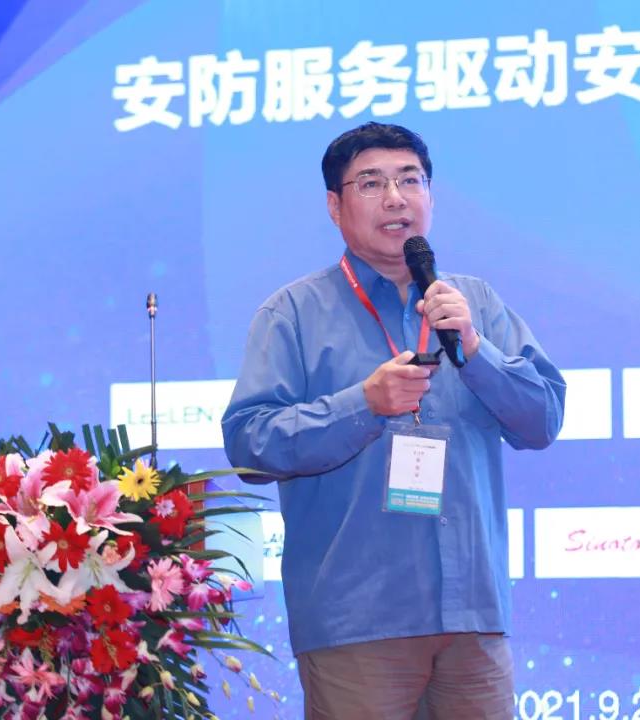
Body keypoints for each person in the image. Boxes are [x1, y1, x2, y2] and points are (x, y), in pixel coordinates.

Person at [221, 122, 566, 719]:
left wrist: (476, 349)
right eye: (371, 183)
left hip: (472, 617)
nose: (395, 198)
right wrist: (364, 404)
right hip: (357, 620)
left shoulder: (475, 305)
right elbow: (250, 444)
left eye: (411, 180)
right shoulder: (293, 313)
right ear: (335, 206)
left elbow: (542, 419)